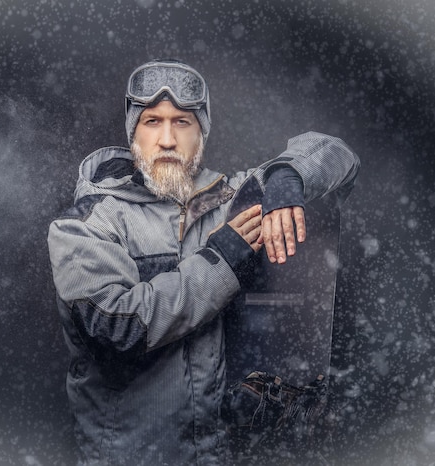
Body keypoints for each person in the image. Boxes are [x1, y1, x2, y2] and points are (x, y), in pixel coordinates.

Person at [47, 59, 360, 465]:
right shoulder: (86, 223)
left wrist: (288, 176)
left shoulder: (230, 202)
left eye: (182, 122)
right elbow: (116, 327)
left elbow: (339, 155)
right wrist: (222, 259)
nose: (166, 139)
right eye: (152, 122)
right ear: (133, 135)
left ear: (202, 133)